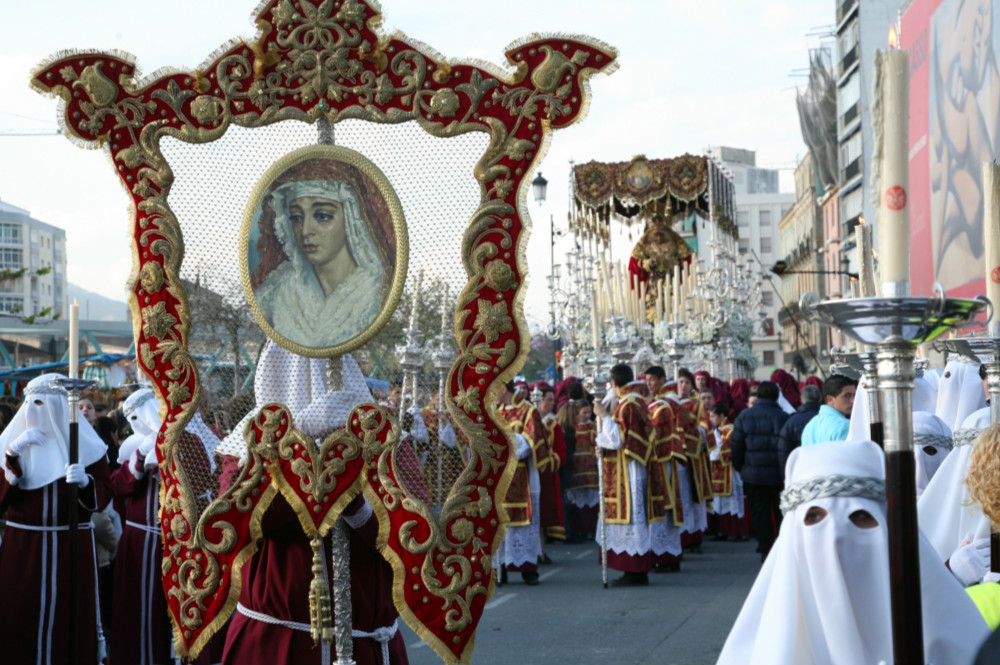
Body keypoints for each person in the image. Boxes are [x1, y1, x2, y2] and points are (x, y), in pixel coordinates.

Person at [218, 341, 409, 664]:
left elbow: (408, 533)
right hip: (273, 643)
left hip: (364, 642)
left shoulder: (385, 438)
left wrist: (353, 502)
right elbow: (234, 527)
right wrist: (296, 450)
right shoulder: (244, 443)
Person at [717, 439, 989, 665]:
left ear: (887, 525)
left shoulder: (960, 639)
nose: (834, 538)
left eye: (859, 517)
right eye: (815, 518)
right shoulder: (751, 653)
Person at [0, 373, 112, 665]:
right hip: (24, 548)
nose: (36, 410)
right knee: (21, 615)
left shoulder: (86, 444)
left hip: (70, 545)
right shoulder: (12, 443)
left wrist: (87, 484)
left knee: (70, 617)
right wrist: (12, 456)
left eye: (43, 403)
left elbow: (105, 490)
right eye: (32, 403)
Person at [252, 177, 387, 349]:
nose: (306, 230)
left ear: (351, 221)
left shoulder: (374, 291)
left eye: (323, 216)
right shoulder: (279, 291)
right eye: (296, 218)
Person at [593, 364, 654, 586]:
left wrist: (603, 416)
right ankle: (636, 570)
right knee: (633, 521)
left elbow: (618, 439)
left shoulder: (627, 404)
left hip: (628, 473)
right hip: (629, 468)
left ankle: (634, 570)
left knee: (631, 521)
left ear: (615, 383)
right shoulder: (636, 401)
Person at [494, 380, 549, 585]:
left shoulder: (528, 410)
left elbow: (531, 443)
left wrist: (505, 441)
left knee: (525, 524)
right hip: (500, 479)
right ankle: (502, 568)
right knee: (501, 522)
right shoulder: (495, 412)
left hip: (523, 476)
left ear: (503, 388)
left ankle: (528, 568)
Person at [731, 380, 789, 561]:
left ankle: (765, 549)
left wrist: (742, 468)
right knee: (781, 513)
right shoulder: (783, 417)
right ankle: (783, 548)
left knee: (759, 513)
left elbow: (737, 446)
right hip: (778, 475)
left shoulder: (744, 416)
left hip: (753, 474)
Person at [645, 367, 685, 572]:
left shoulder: (662, 407)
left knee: (665, 511)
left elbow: (654, 434)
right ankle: (661, 554)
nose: (650, 383)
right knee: (659, 510)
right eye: (647, 380)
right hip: (655, 463)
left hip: (663, 462)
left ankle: (667, 556)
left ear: (662, 380)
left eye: (653, 379)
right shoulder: (654, 405)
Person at [707, 404, 747, 541]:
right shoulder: (719, 430)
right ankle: (722, 531)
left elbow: (724, 451)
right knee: (721, 502)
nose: (711, 419)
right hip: (719, 471)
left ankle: (737, 532)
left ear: (722, 416)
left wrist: (712, 453)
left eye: (713, 417)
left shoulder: (729, 430)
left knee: (731, 501)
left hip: (729, 471)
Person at [565, 399, 599, 539]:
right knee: (578, 500)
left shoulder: (594, 426)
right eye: (584, 412)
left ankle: (591, 529)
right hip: (576, 468)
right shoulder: (573, 428)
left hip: (591, 468)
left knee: (593, 500)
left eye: (589, 412)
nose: (587, 415)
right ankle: (580, 529)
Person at [776, 383, 822, 480]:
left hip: (800, 471)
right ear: (820, 399)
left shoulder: (792, 422)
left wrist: (786, 476)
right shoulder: (828, 419)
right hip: (823, 471)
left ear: (801, 400)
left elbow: (784, 452)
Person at [799, 375, 856, 446]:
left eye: (854, 395)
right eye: (847, 396)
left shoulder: (810, 426)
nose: (853, 401)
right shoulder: (844, 426)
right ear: (830, 399)